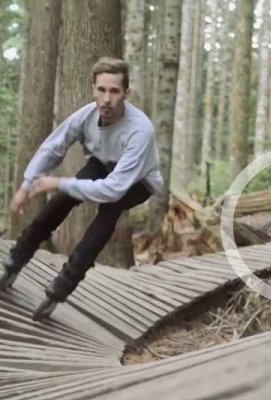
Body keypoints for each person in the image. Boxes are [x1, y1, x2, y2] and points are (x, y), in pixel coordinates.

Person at [0, 57, 163, 321]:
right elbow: (53, 147)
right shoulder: (86, 115)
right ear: (93, 89)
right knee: (63, 198)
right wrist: (27, 185)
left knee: (109, 209)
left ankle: (64, 283)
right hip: (103, 163)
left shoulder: (140, 130)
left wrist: (58, 182)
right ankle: (16, 259)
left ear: (126, 93)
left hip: (139, 181)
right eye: (101, 90)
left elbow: (114, 189)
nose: (107, 99)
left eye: (114, 91)